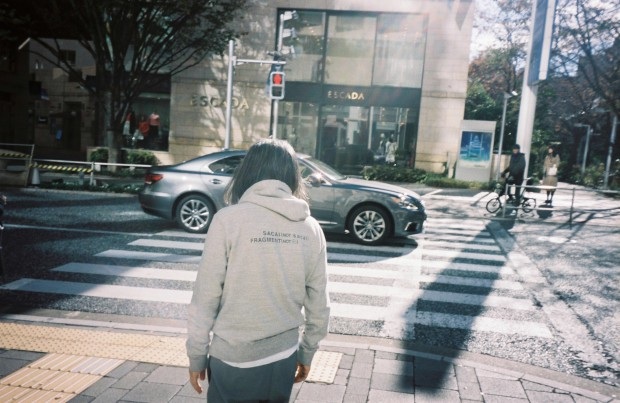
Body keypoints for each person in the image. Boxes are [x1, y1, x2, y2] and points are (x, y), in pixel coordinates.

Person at [186, 139, 330, 402]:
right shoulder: (311, 228)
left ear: (247, 171)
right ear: (292, 175)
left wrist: (196, 355)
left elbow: (205, 297)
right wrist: (307, 352)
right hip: (283, 356)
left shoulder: (227, 221)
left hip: (232, 356)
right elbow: (319, 304)